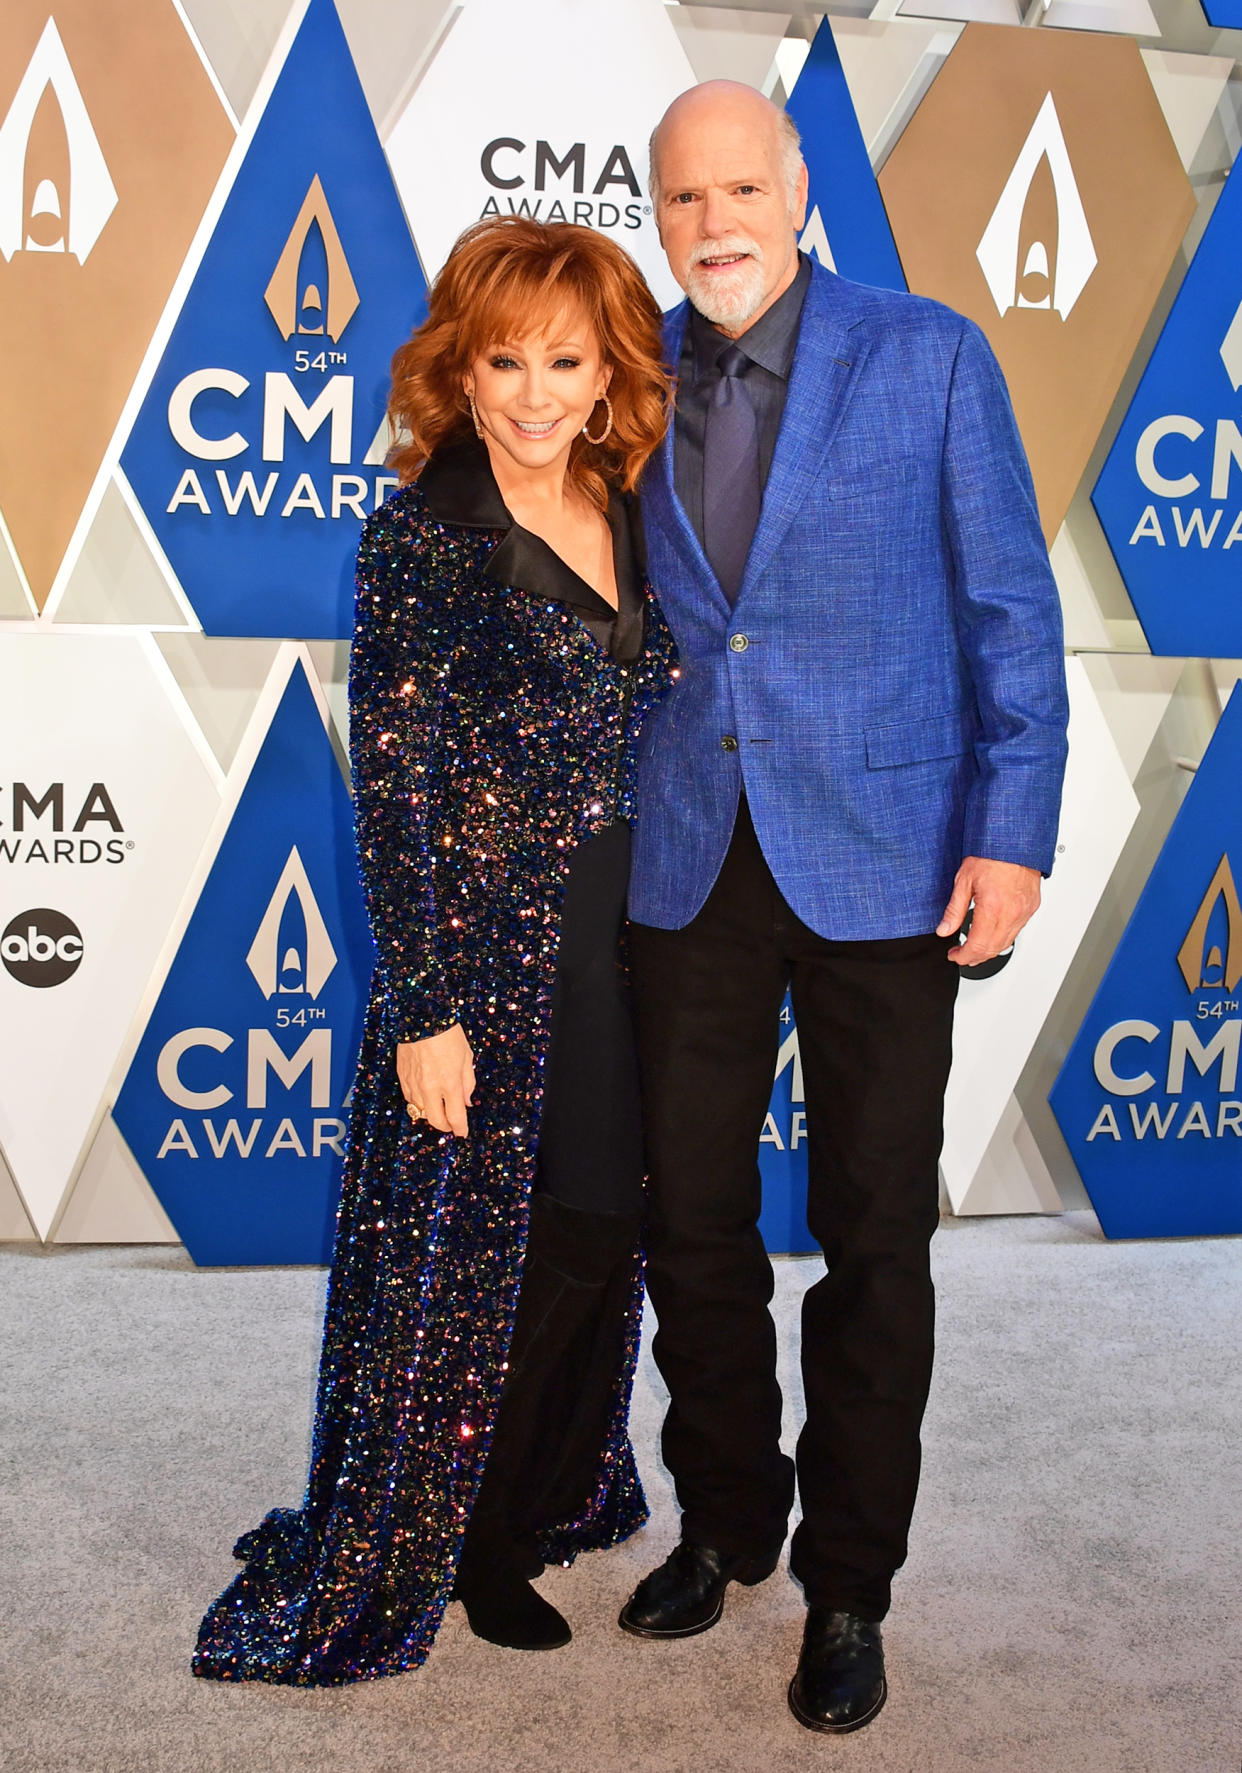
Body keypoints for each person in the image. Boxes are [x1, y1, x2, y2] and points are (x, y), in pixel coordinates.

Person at [618, 81, 1069, 1735]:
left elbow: (1010, 610)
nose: (714, 221)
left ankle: (848, 1585)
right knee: (693, 1224)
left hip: (887, 855)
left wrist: (1010, 831)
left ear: (797, 190)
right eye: (682, 198)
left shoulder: (930, 352)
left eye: (742, 187)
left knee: (876, 1230)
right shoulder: (624, 365)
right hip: (687, 856)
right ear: (652, 211)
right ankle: (727, 1519)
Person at [192, 216, 675, 1684]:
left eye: (564, 361)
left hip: (636, 945)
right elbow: (390, 790)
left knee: (603, 1235)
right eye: (503, 359)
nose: (533, 392)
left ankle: (532, 1486)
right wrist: (422, 1008)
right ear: (458, 373)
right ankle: (462, 1537)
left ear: (607, 378)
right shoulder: (419, 535)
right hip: (489, 963)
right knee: (490, 1257)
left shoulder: (641, 508)